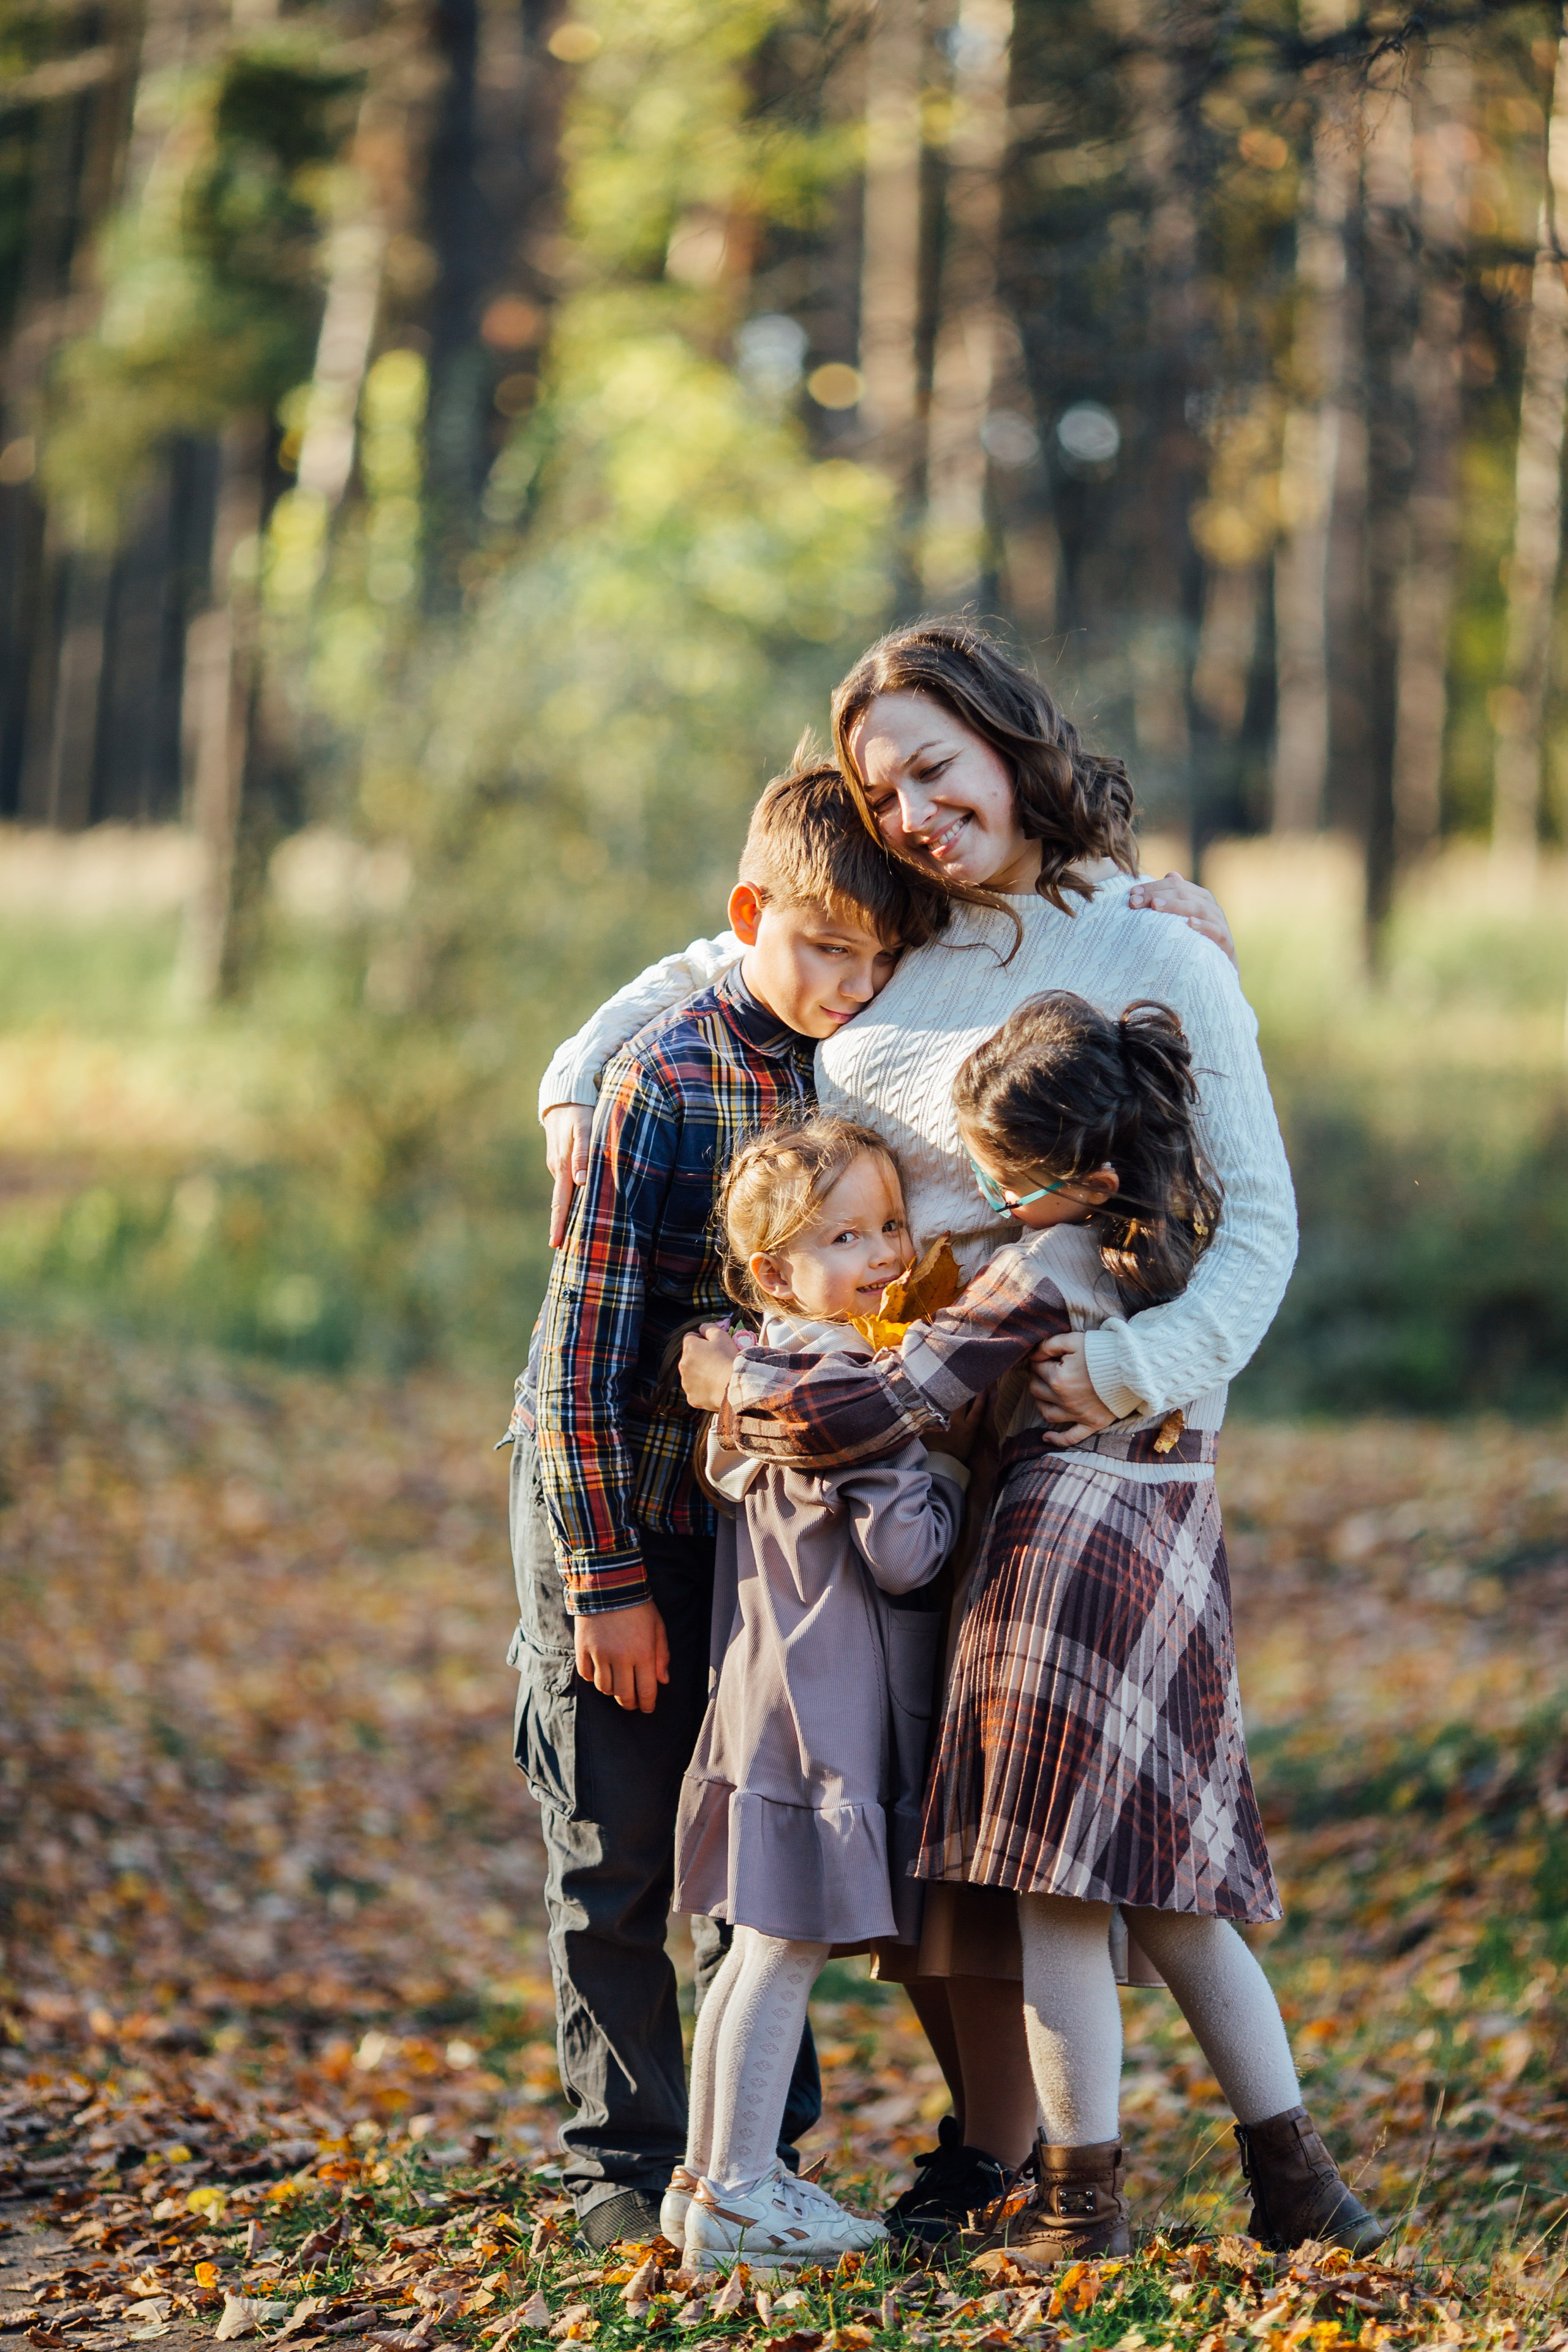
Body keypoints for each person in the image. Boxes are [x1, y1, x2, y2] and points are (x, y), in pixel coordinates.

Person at [532, 617, 1296, 2245]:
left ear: (1012, 744)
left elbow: (1256, 1227)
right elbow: (716, 956)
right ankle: (982, 2152)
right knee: (932, 1837)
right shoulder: (899, 929)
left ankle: (1041, 2158)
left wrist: (1137, 1367)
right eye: (883, 794)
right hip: (879, 1448)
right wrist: (573, 1082)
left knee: (1029, 1842)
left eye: (938, 774)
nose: (917, 817)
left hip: (1060, 1458)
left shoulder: (1152, 940)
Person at [691, 992, 1385, 2263]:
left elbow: (878, 1409)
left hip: (1056, 1570)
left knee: (1053, 1896)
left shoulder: (1036, 1271)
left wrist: (735, 1381)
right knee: (1172, 1899)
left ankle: (1079, 2204)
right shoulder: (1183, 1251)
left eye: (1003, 1178)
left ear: (1077, 1178)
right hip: (1175, 1566)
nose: (989, 1206)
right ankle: (1302, 2182)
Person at [507, 759, 946, 2245]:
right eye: (823, 949)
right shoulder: (661, 1079)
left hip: (767, 1534)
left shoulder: (854, 1067)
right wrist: (605, 1582)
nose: (848, 984)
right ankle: (624, 2173)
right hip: (625, 1506)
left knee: (751, 1844)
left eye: (874, 959)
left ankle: (754, 2158)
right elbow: (575, 1359)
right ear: (750, 918)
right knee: (618, 1846)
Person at [667, 1116, 979, 2265]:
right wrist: (949, 1470)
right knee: (784, 1949)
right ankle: (747, 2190)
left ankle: (705, 2184)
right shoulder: (853, 1384)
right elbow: (906, 1554)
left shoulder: (759, 1371)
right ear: (774, 1271)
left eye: (891, 1224)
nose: (887, 1253)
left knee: (756, 1947)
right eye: (846, 1238)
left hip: (763, 1690)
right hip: (827, 1703)